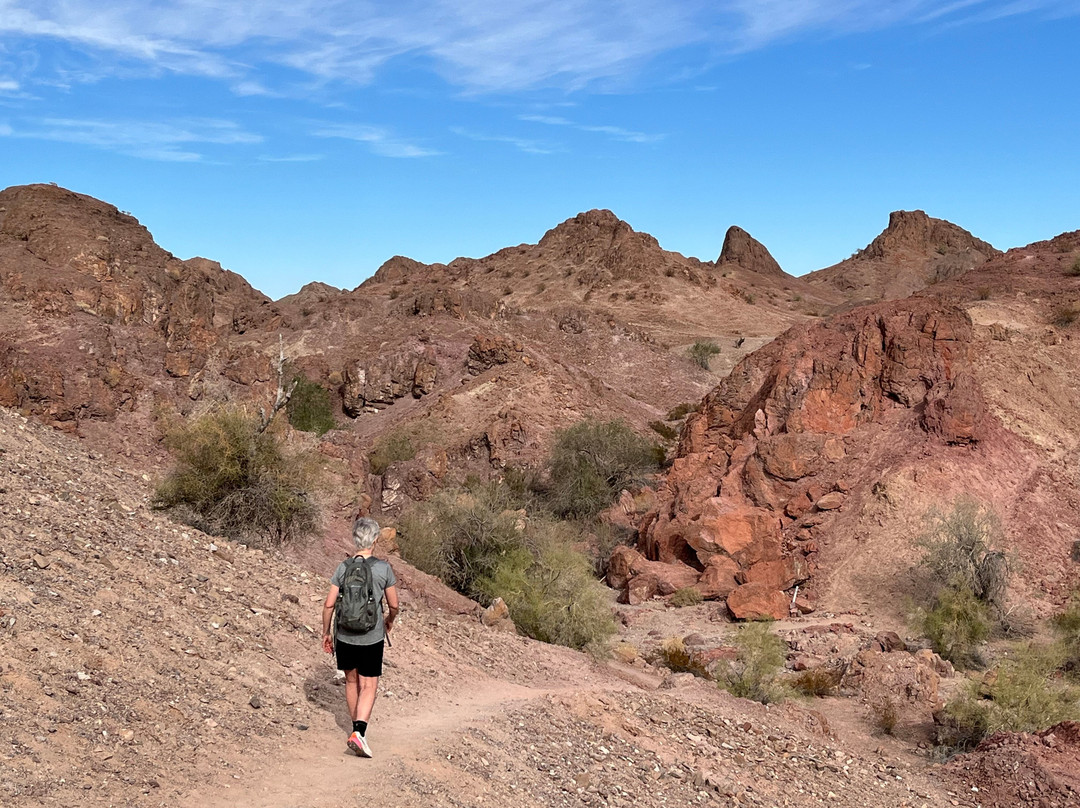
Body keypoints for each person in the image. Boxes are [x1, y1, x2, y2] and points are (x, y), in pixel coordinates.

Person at [321, 517, 399, 757]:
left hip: (344, 634)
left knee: (352, 682)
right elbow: (394, 605)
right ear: (374, 541)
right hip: (371, 636)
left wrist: (326, 633)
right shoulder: (383, 568)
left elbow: (329, 604)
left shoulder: (343, 567)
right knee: (369, 684)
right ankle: (359, 733)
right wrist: (389, 620)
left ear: (355, 540)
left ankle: (357, 732)